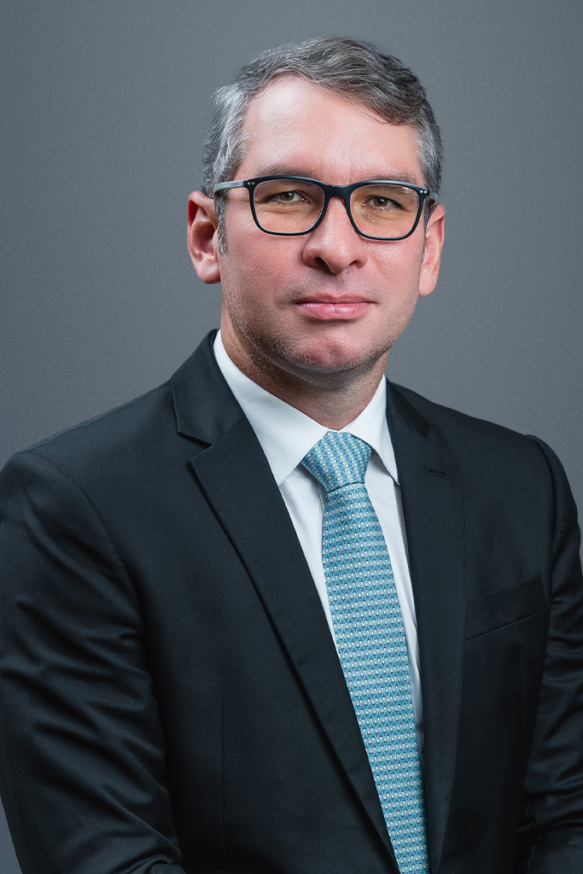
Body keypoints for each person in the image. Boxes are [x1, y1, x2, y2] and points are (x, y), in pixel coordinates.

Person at [0, 35, 582, 874]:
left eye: (381, 201)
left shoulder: (520, 486)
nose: (336, 247)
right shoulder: (73, 507)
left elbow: (564, 812)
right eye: (287, 196)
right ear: (207, 236)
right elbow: (104, 856)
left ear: (429, 247)